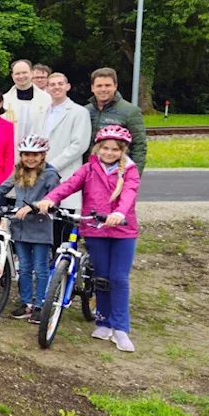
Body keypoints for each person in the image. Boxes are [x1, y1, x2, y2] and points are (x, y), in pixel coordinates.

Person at [35, 125, 140, 352]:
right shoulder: (89, 168)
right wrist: (50, 199)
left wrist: (119, 213)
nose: (109, 153)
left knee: (119, 278)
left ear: (122, 151)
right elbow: (69, 185)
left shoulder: (130, 170)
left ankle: (121, 328)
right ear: (98, 148)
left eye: (115, 149)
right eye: (105, 148)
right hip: (95, 229)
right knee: (102, 277)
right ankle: (103, 321)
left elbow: (129, 193)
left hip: (123, 230)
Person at [0, 135, 60, 323]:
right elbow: (1, 189)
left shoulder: (50, 174)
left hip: (40, 227)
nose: (30, 158)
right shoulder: (18, 171)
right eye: (26, 154)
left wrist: (34, 206)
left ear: (43, 155)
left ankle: (40, 305)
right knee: (25, 266)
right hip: (20, 227)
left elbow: (54, 198)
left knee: (40, 267)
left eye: (35, 155)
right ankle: (26, 303)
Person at [42, 72, 94, 219]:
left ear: (68, 86)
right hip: (43, 173)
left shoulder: (79, 112)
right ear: (47, 89)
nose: (56, 87)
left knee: (63, 220)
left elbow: (79, 145)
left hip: (65, 172)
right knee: (45, 220)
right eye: (52, 84)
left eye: (60, 84)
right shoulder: (43, 112)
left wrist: (52, 165)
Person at [86, 67, 147, 172]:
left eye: (107, 85)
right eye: (99, 86)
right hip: (89, 171)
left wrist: (133, 177)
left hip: (117, 171)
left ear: (115, 86)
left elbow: (139, 147)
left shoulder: (131, 111)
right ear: (92, 88)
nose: (103, 89)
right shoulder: (85, 111)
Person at [2, 59, 47, 147]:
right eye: (17, 73)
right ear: (12, 76)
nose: (21, 76)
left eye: (24, 72)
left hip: (38, 150)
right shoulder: (4, 100)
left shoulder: (46, 99)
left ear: (31, 73)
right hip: (11, 149)